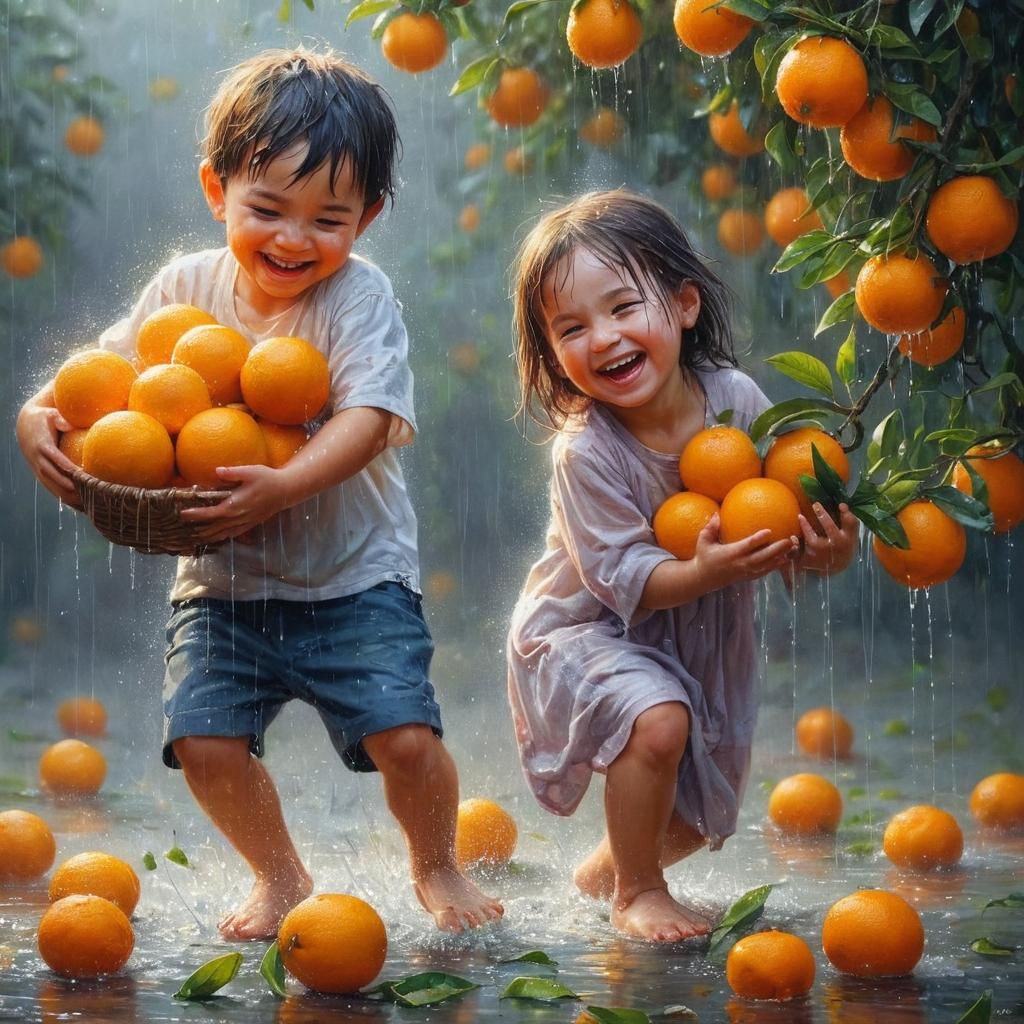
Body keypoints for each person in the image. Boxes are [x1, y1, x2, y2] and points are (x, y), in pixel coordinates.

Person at [16, 48, 502, 941]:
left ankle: (437, 864)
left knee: (405, 738)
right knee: (204, 745)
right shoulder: (184, 291)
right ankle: (280, 876)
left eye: (328, 218)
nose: (291, 239)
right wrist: (36, 414)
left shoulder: (360, 299)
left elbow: (366, 419)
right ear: (218, 190)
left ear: (368, 218)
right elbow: (105, 377)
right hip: (225, 585)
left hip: (355, 577)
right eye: (266, 209)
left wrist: (282, 485)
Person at [506, 190, 859, 943]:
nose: (603, 338)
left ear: (686, 305)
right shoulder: (587, 449)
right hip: (585, 629)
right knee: (658, 723)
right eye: (571, 328)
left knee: (700, 808)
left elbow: (777, 523)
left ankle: (601, 876)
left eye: (623, 308)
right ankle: (637, 891)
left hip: (701, 632)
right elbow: (622, 578)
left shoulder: (735, 402)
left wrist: (826, 548)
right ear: (552, 354)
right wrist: (704, 572)